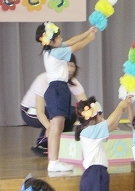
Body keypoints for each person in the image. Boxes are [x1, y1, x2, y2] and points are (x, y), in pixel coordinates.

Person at [35, 21, 96, 172]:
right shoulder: (55, 53)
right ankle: (53, 161)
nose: (62, 38)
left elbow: (72, 40)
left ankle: (54, 160)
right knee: (56, 127)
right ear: (51, 40)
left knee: (59, 126)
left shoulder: (53, 49)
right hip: (57, 89)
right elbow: (75, 47)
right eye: (59, 36)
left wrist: (88, 32)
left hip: (59, 89)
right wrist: (90, 39)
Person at [21, 54, 87, 157]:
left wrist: (102, 122)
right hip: (29, 111)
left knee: (73, 112)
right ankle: (42, 144)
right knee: (55, 115)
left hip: (50, 110)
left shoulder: (72, 81)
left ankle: (62, 141)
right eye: (66, 65)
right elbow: (40, 112)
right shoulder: (44, 79)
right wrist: (49, 127)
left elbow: (86, 105)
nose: (69, 69)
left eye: (72, 66)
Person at [75, 96, 132, 191]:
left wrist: (120, 113)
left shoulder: (92, 131)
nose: (101, 117)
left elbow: (112, 127)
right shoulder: (89, 131)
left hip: (97, 172)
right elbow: (109, 122)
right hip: (95, 172)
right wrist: (120, 105)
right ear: (92, 118)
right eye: (99, 114)